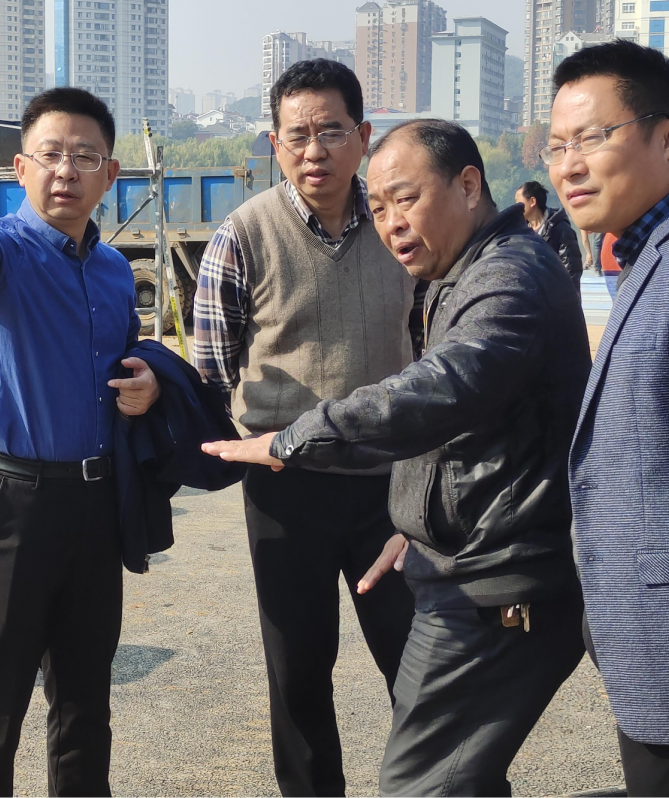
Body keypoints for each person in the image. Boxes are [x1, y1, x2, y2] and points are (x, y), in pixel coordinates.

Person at [203, 119, 591, 796]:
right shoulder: (456, 271)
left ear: (468, 185)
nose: (391, 224)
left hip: (498, 580)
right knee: (436, 767)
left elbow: (437, 390)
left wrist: (292, 436)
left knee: (422, 784)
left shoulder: (508, 277)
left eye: (406, 199)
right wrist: (415, 523)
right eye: (379, 208)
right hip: (446, 556)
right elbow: (459, 427)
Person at [0, 87, 161, 796]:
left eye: (85, 157)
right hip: (8, 502)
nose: (66, 171)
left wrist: (147, 382)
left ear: (110, 174)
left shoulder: (113, 270)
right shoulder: (4, 253)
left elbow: (126, 359)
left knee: (85, 702)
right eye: (51, 155)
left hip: (95, 503)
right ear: (21, 168)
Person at [193, 59, 416, 796]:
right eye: (298, 135)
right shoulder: (243, 235)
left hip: (391, 489)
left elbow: (435, 350)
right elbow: (210, 370)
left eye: (332, 131)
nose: (314, 150)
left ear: (364, 136)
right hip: (285, 489)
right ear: (274, 144)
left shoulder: (401, 225)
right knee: (298, 671)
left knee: (418, 663)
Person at [548, 40, 669, 796]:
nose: (569, 166)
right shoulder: (656, 251)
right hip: (667, 658)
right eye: (556, 147)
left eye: (592, 138)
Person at [515, 180, 584, 293]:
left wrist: (566, 298)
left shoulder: (560, 229)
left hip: (555, 296)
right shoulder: (521, 231)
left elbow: (571, 269)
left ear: (532, 201)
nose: (516, 207)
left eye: (518, 202)